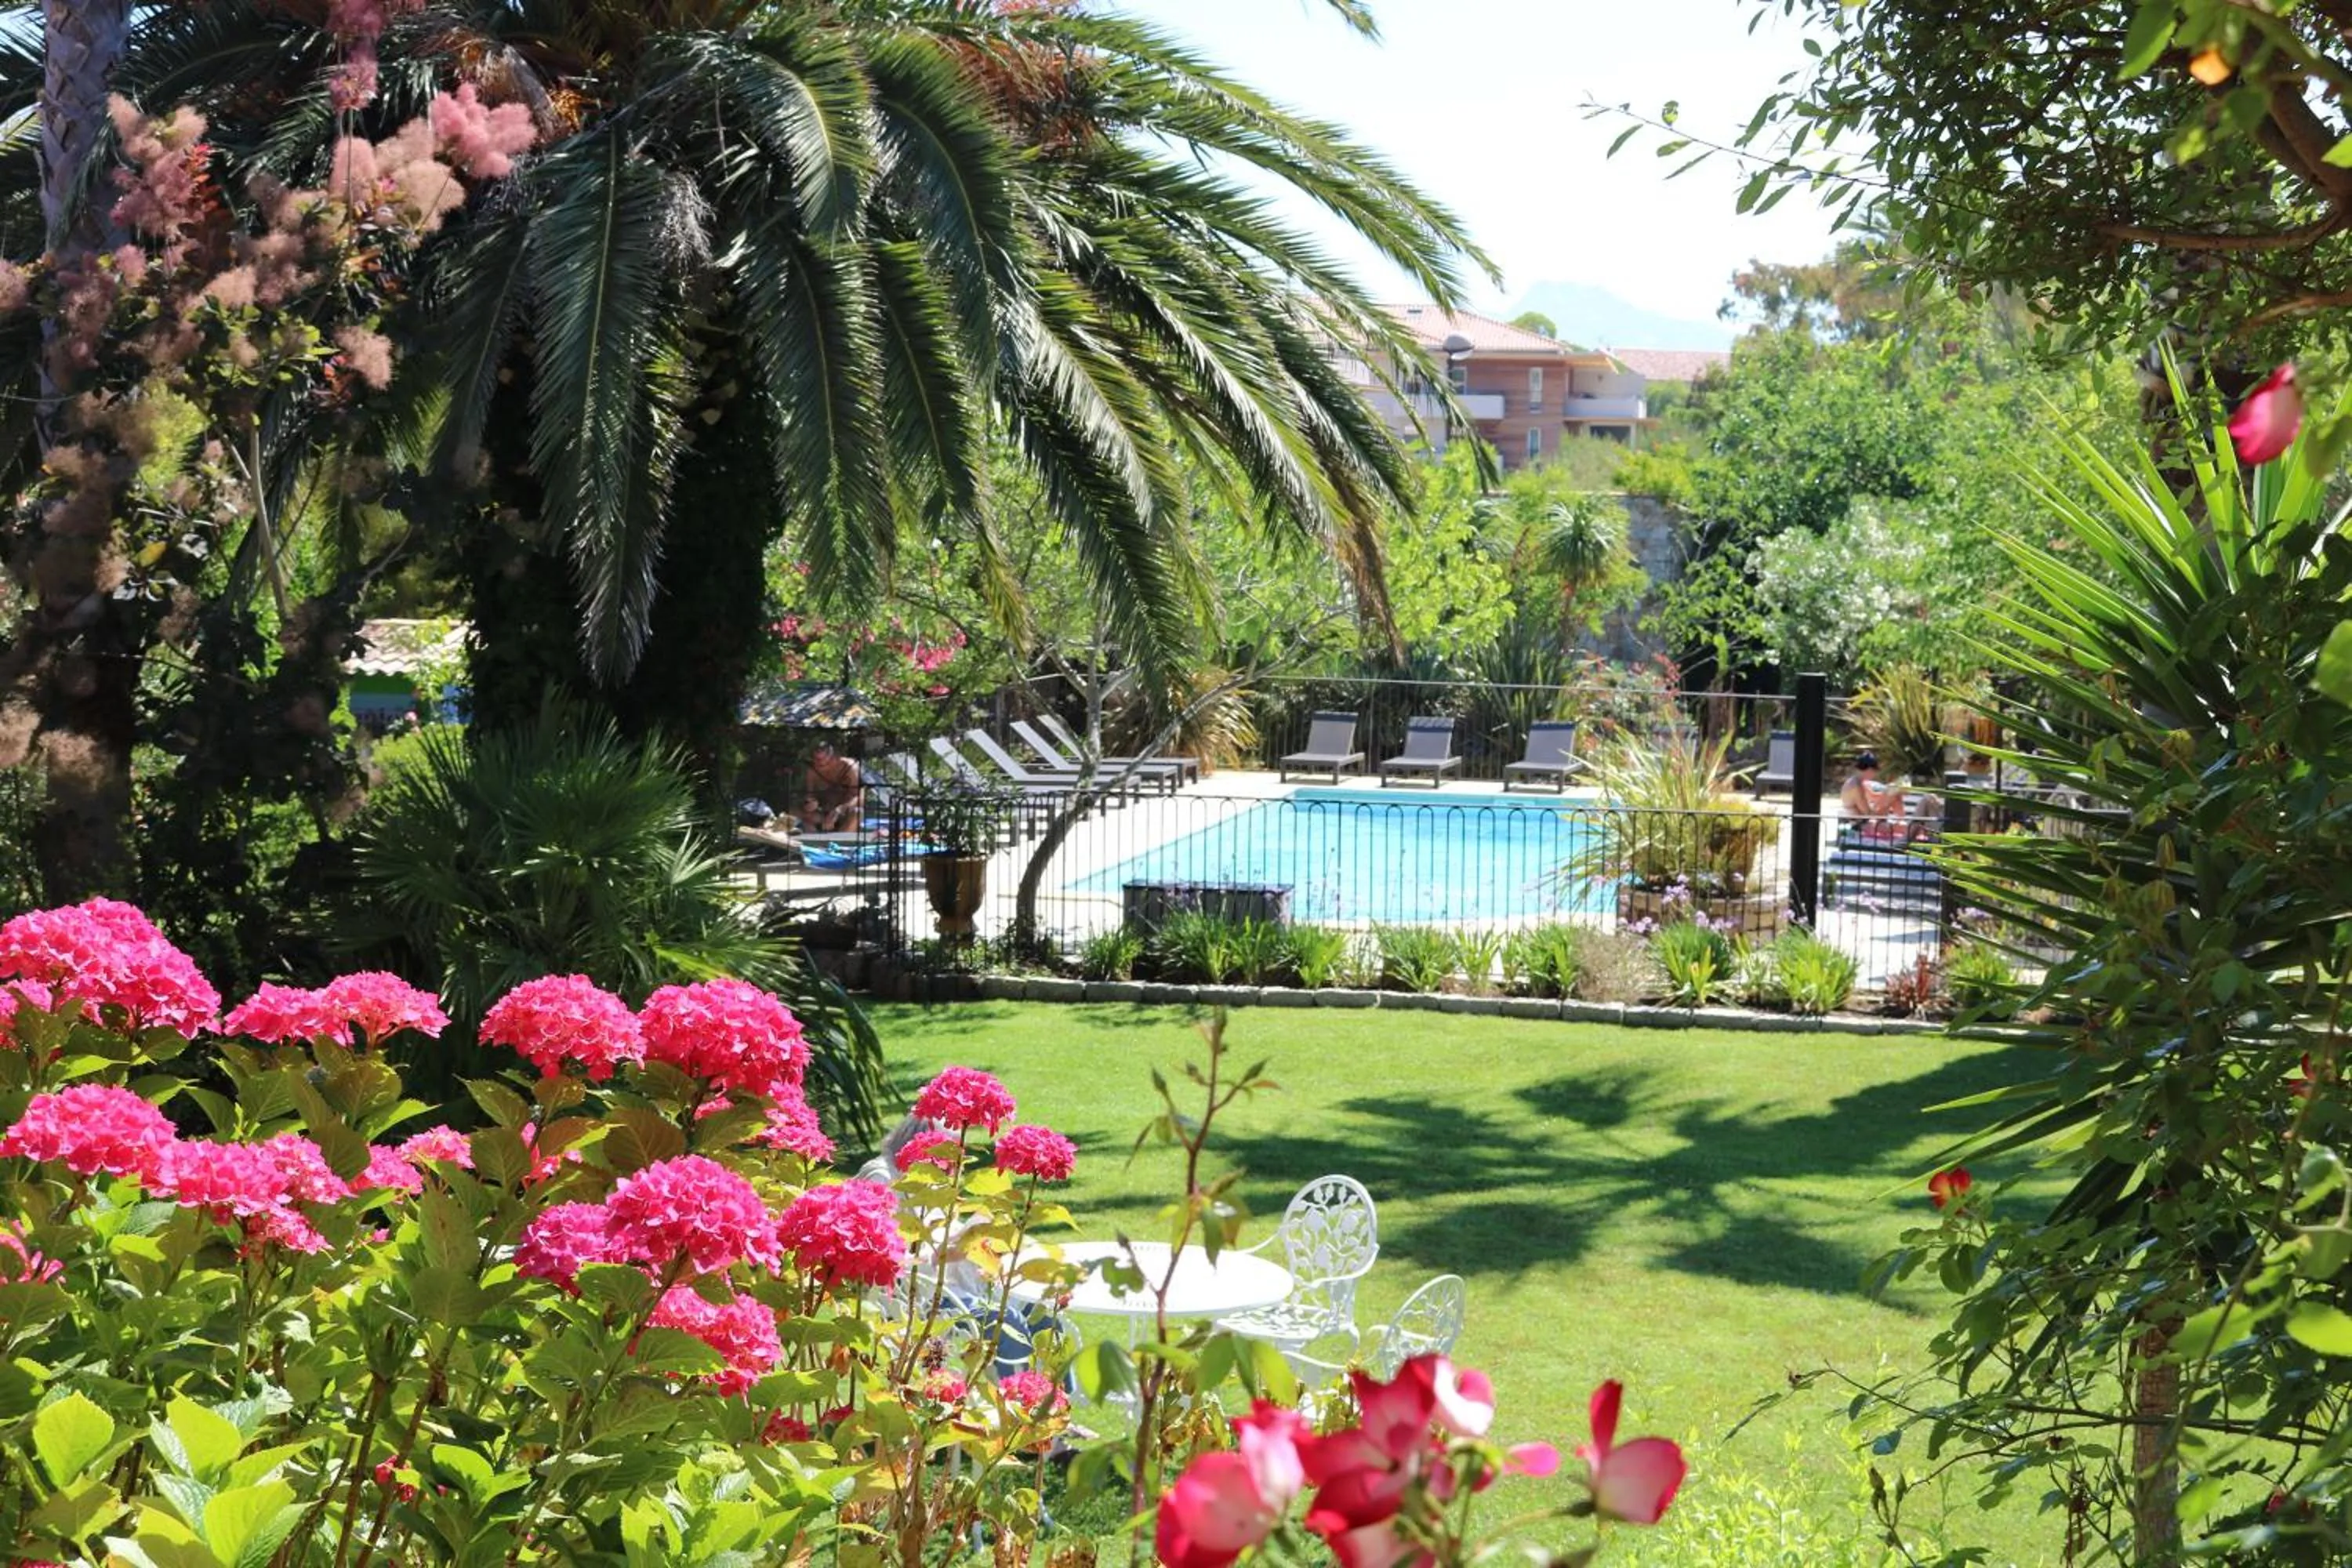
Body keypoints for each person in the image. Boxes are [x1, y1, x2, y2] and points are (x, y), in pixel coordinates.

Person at [798, 741, 865, 833]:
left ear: (834, 757)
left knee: (857, 813)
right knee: (797, 813)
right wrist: (810, 803)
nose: (818, 764)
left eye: (822, 761)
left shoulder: (849, 768)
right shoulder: (812, 771)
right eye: (816, 760)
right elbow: (809, 795)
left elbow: (859, 797)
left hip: (844, 812)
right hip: (823, 813)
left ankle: (841, 842)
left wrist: (839, 810)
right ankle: (814, 842)